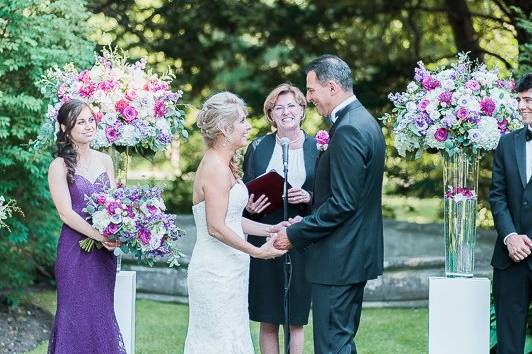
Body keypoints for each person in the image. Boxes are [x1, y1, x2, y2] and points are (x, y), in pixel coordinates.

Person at [274, 55, 385, 354]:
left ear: (332, 87)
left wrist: (297, 233)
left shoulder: (349, 129)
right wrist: (307, 217)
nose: (309, 98)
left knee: (331, 346)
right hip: (351, 256)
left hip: (339, 260)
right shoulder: (365, 121)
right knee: (339, 342)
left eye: (311, 90)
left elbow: (343, 203)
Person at [184, 92, 287, 354]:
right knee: (217, 343)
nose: (248, 126)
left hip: (231, 270)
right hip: (215, 272)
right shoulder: (215, 168)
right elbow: (215, 227)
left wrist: (269, 229)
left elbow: (231, 219)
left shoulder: (224, 164)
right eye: (242, 121)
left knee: (233, 339)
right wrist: (258, 252)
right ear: (223, 128)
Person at [243, 83, 319, 354]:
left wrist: (309, 198)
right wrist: (250, 206)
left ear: (301, 110)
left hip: (301, 237)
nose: (285, 112)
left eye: (291, 106)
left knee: (295, 319)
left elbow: (329, 195)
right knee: (268, 318)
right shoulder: (258, 146)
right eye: (278, 107)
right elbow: (245, 190)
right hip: (265, 234)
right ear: (270, 114)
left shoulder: (318, 148)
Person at [47, 99, 125, 353]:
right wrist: (98, 234)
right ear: (65, 128)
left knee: (100, 314)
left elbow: (114, 206)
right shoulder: (59, 166)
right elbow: (65, 213)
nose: (88, 125)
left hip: (103, 255)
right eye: (80, 121)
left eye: (90, 119)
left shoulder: (105, 160)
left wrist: (116, 232)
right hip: (74, 252)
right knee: (75, 316)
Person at [489, 73, 532, 354]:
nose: (521, 106)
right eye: (519, 100)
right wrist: (510, 236)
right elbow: (497, 194)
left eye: (527, 100)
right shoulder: (507, 143)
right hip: (510, 257)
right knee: (509, 342)